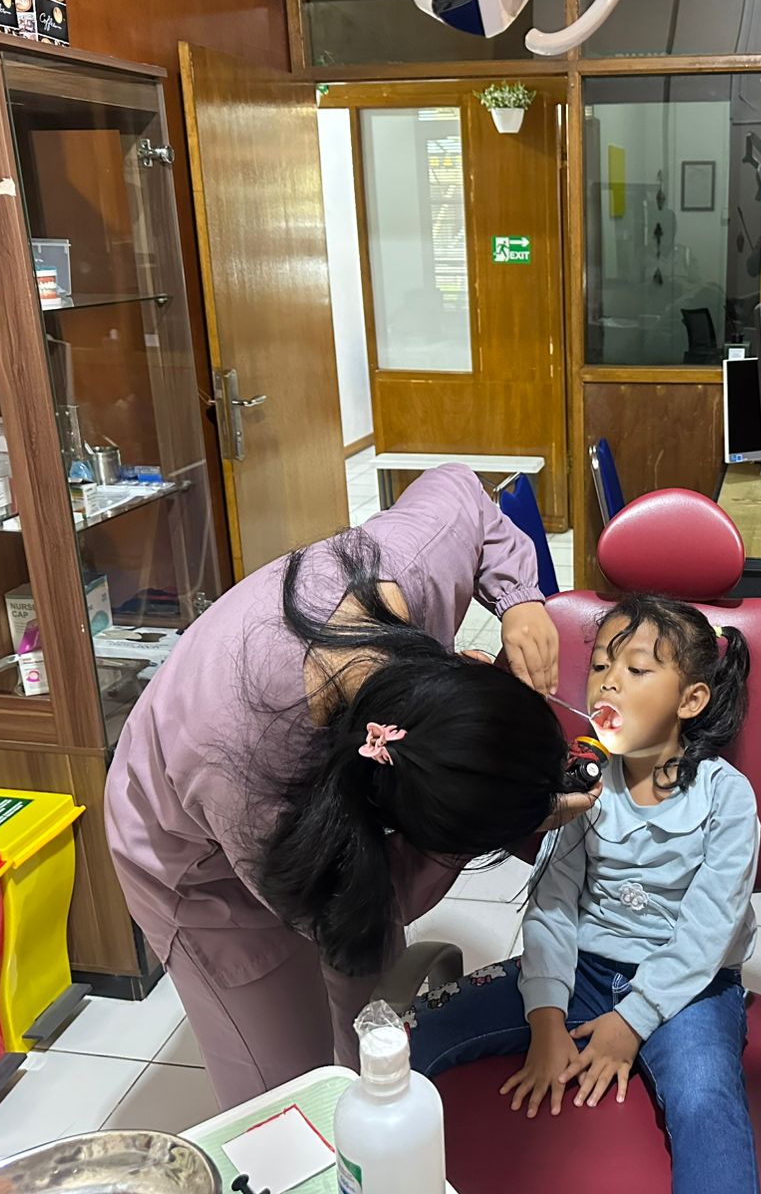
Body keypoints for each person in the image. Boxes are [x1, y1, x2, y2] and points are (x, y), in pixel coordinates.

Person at [106, 464, 598, 1108]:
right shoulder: (245, 768)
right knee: (288, 1097)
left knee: (367, 1025)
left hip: (294, 780)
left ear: (472, 667)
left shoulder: (418, 570)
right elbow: (352, 918)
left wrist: (520, 600)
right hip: (191, 852)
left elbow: (461, 489)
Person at [404, 595, 760, 1194]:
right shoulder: (582, 786)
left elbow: (708, 933)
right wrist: (546, 1018)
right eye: (599, 667)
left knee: (707, 1099)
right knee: (407, 1040)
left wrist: (632, 1021)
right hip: (581, 970)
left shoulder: (727, 798)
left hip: (691, 989)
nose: (608, 684)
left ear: (691, 700)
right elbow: (551, 904)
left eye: (636, 670)